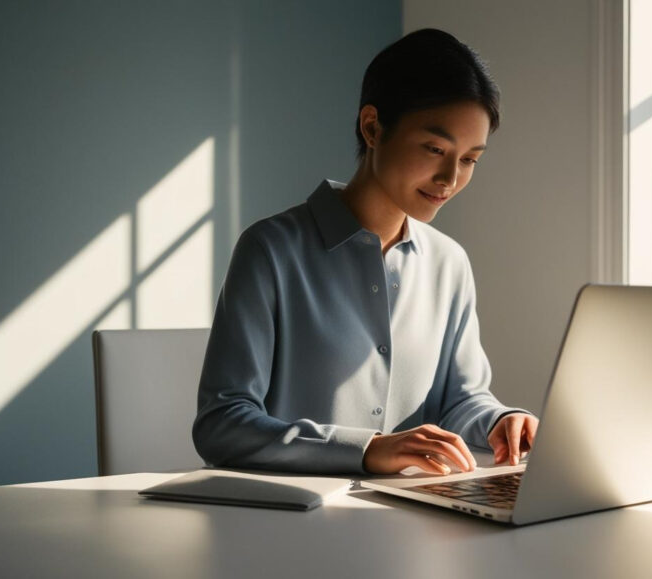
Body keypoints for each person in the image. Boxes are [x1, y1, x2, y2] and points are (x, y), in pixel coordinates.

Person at [192, 28, 538, 476]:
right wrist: (366, 449)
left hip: (412, 518)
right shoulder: (271, 251)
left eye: (470, 159)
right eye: (435, 149)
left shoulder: (449, 264)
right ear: (372, 126)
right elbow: (221, 426)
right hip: (289, 527)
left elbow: (462, 399)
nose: (450, 177)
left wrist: (498, 420)